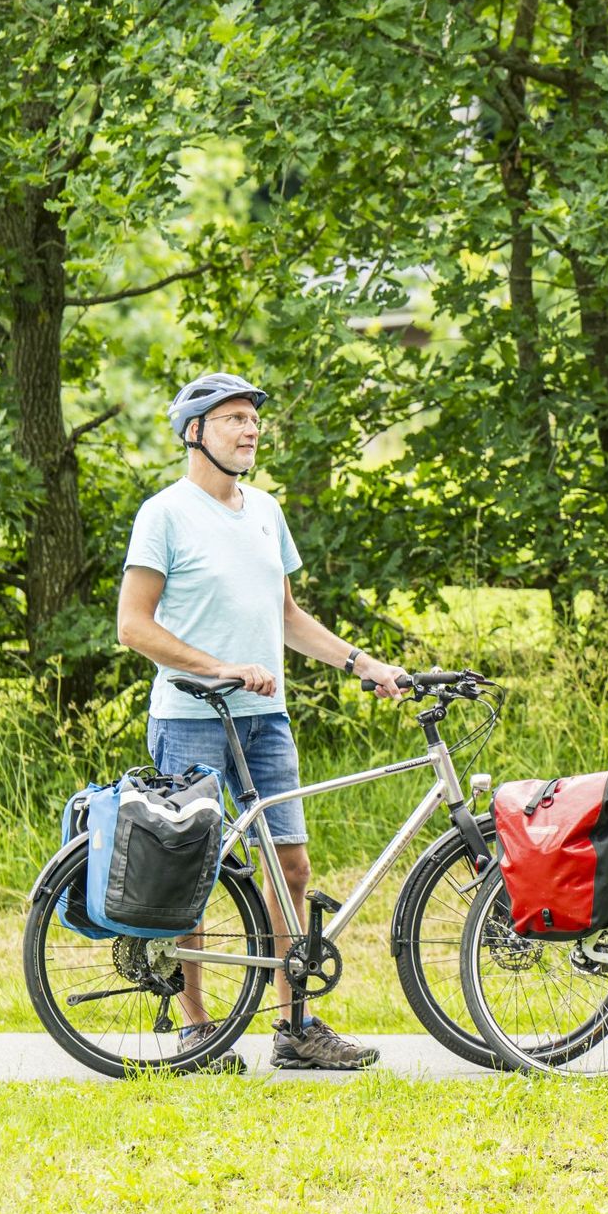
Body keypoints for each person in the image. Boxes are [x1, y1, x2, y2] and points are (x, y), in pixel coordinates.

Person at [116, 371, 408, 1072]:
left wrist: (362, 663)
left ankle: (294, 1027)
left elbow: (287, 617)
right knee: (192, 872)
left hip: (264, 719)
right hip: (190, 716)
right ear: (195, 432)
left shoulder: (267, 511)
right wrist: (217, 666)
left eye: (253, 419)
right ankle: (197, 1030)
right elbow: (133, 626)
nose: (250, 429)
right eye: (233, 419)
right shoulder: (165, 514)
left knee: (290, 867)